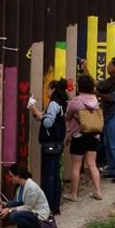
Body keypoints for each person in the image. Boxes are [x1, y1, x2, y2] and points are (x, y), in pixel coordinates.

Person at [29, 78, 68, 215]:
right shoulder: (62, 104)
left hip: (50, 144)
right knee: (56, 175)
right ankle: (55, 206)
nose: (47, 91)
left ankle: (48, 207)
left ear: (53, 90)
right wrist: (37, 114)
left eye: (48, 88)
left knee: (48, 176)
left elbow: (47, 122)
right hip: (58, 143)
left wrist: (34, 109)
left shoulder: (53, 104)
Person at [64, 75, 103, 201]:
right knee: (92, 164)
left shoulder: (75, 102)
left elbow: (68, 117)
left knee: (76, 166)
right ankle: (98, 191)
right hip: (93, 135)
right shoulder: (95, 100)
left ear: (79, 86)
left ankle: (73, 194)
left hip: (78, 136)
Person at [0, 164, 55, 228]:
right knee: (12, 213)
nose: (11, 179)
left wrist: (9, 210)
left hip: (39, 214)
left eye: (12, 176)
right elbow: (19, 203)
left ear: (18, 176)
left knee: (14, 215)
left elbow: (28, 207)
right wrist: (3, 203)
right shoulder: (21, 186)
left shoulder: (31, 187)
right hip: (32, 211)